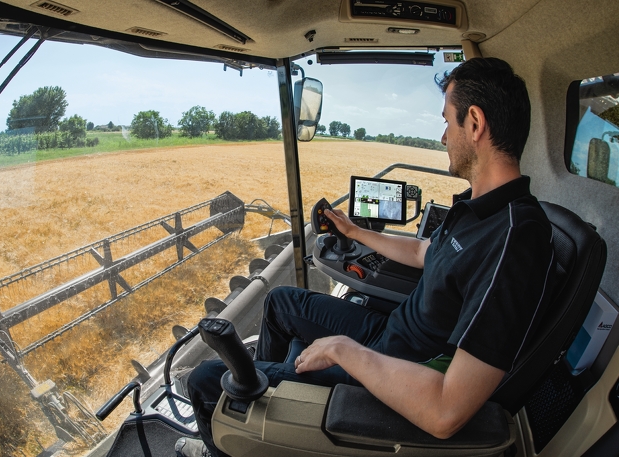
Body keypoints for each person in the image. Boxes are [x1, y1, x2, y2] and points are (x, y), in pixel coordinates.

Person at [176, 57, 556, 457]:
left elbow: (447, 410)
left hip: (398, 369)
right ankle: (265, 422)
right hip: (390, 330)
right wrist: (356, 232)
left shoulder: (516, 239)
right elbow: (423, 251)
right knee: (280, 302)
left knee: (206, 377)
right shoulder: (479, 209)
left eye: (447, 120)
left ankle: (237, 428)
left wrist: (343, 350)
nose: (443, 137)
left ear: (475, 124)